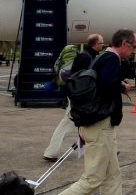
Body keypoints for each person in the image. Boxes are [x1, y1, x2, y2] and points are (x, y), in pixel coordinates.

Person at [34, 29, 136, 195]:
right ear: (125, 44)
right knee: (93, 179)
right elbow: (106, 87)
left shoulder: (102, 58)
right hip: (100, 127)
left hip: (97, 126)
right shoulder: (111, 60)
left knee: (113, 176)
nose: (134, 51)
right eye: (134, 47)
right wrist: (120, 86)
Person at [42, 33, 104, 162]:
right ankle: (51, 152)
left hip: (79, 96)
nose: (103, 45)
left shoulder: (88, 56)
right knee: (67, 123)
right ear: (95, 44)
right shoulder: (85, 58)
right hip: (79, 97)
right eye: (101, 43)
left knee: (90, 123)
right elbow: (80, 79)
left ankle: (101, 149)